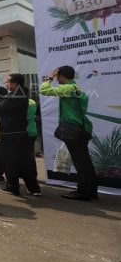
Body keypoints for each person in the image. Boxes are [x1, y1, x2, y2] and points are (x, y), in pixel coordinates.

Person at [40, 66, 97, 201]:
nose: (56, 78)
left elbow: (44, 90)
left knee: (80, 163)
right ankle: (91, 191)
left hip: (75, 130)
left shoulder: (69, 89)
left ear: (62, 76)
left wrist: (50, 77)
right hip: (82, 129)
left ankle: (83, 192)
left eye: (57, 76)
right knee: (85, 162)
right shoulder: (75, 88)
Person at [0, 74, 40, 196]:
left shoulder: (14, 97)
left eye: (8, 82)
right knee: (26, 161)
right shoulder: (22, 96)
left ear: (15, 84)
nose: (6, 84)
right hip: (22, 133)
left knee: (10, 161)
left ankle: (12, 187)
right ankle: (33, 188)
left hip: (11, 134)